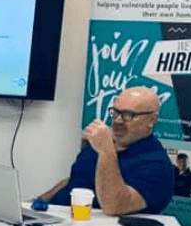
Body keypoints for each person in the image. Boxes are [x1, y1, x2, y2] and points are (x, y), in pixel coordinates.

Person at [38, 86, 173, 216]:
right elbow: (76, 180)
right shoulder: (98, 144)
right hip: (57, 216)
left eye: (128, 114)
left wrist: (106, 151)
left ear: (151, 119)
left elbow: (114, 206)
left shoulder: (157, 164)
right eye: (115, 112)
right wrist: (38, 201)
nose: (118, 120)